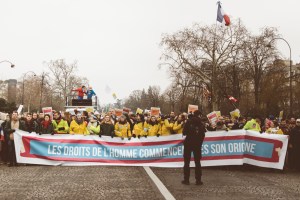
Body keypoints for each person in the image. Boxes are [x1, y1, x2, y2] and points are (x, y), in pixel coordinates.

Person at [182, 110, 206, 185]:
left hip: (188, 143)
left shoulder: (188, 122)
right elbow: (203, 134)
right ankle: (198, 180)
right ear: (199, 115)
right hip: (197, 144)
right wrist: (199, 143)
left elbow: (184, 132)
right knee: (198, 163)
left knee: (186, 162)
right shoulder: (201, 123)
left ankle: (186, 180)